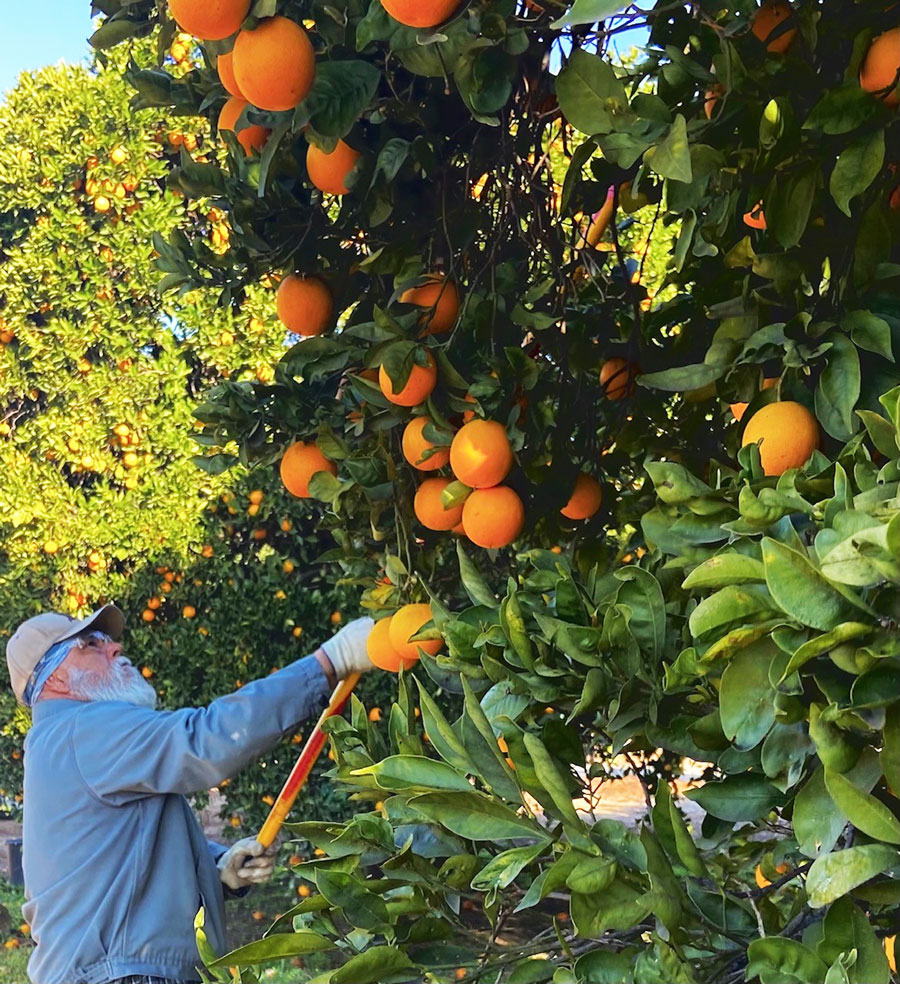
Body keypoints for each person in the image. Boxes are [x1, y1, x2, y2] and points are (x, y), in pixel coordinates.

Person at [4, 603, 373, 984]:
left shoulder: (59, 744)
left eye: (110, 640)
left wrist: (218, 869)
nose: (115, 648)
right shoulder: (83, 728)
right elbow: (206, 740)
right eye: (91, 644)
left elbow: (119, 859)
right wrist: (330, 661)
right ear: (55, 676)